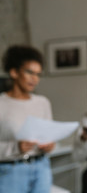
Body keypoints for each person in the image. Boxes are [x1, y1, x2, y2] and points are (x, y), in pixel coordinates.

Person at [0, 45, 55, 193]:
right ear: (14, 72)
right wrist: (16, 147)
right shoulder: (2, 104)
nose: (34, 79)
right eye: (30, 72)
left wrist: (49, 145)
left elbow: (49, 136)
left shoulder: (43, 102)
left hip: (41, 168)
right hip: (11, 172)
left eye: (38, 74)